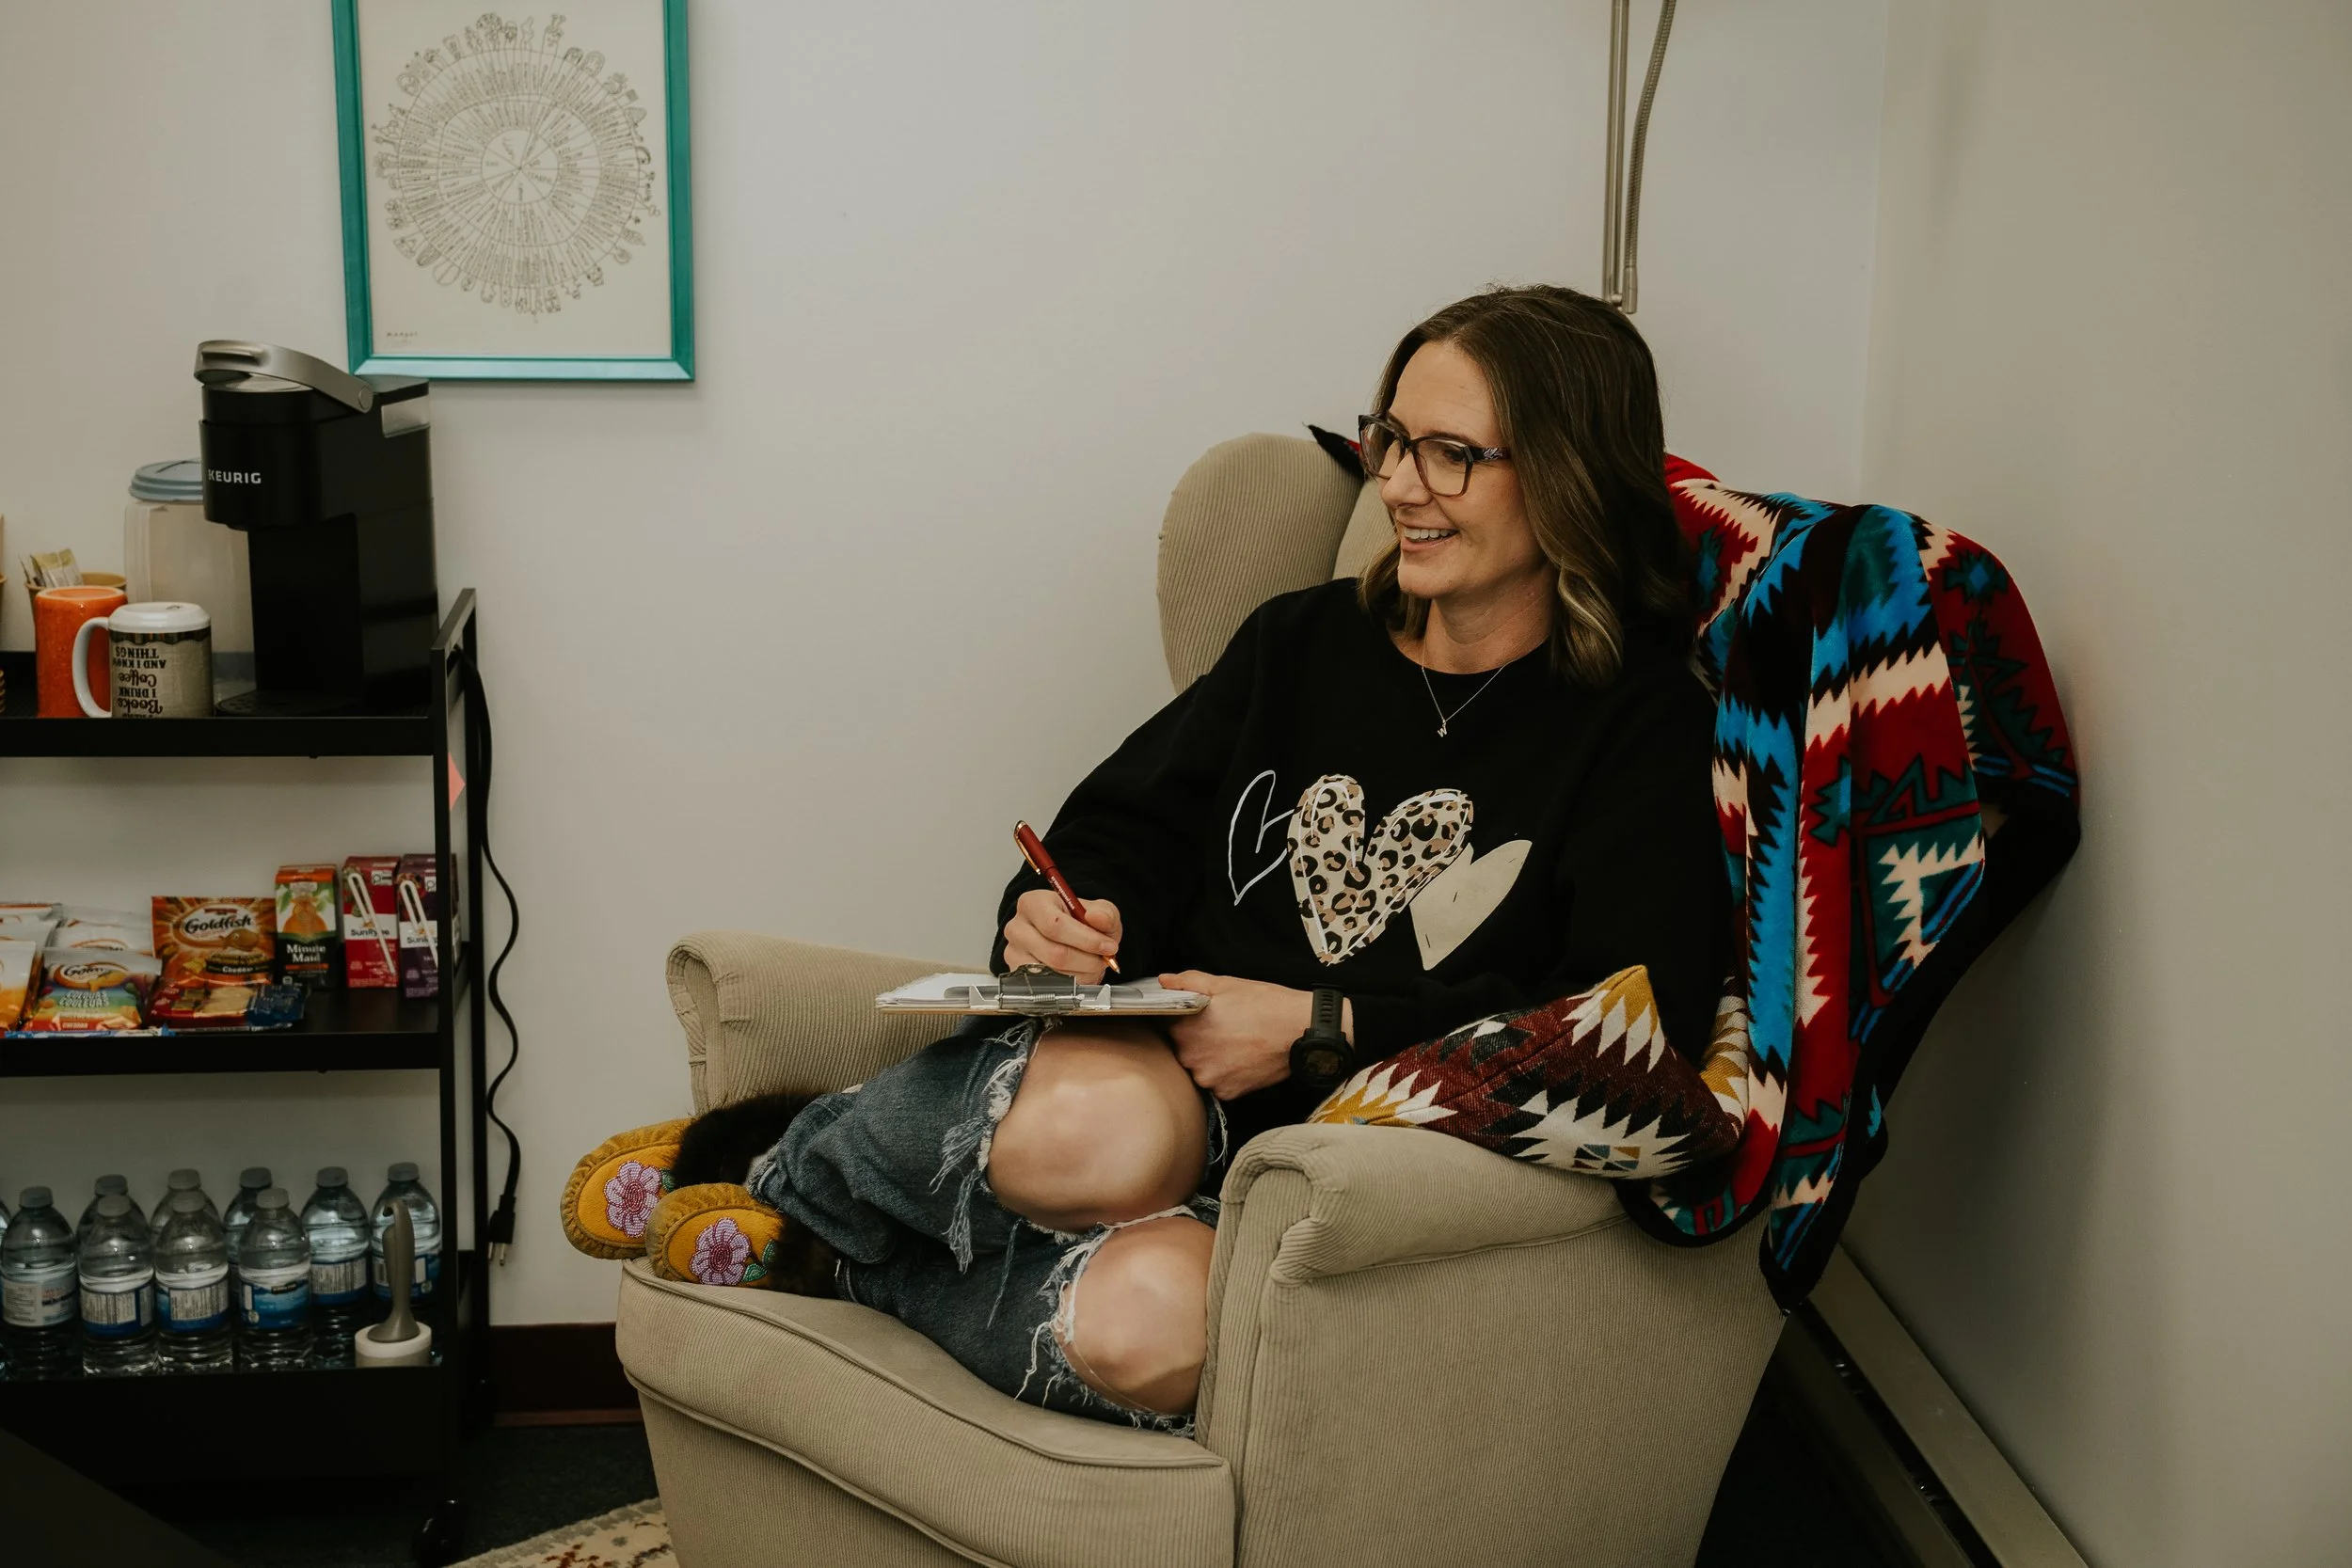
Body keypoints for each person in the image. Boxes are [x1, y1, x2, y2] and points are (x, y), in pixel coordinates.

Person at [659, 283, 1729, 1429]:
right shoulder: (1301, 643)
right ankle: (787, 1171)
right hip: (1147, 1080)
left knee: (1150, 1335)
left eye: (1451, 454)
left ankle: (834, 1258)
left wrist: (1322, 1023)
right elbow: (1117, 833)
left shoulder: (1642, 723)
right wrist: (1065, 914)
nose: (1400, 485)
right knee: (1105, 1137)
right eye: (1392, 438)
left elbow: (1627, 1016)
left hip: (1340, 1175)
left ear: (1568, 475)